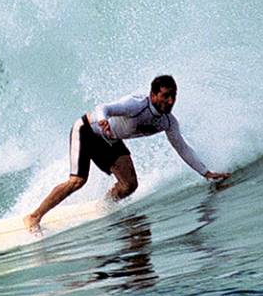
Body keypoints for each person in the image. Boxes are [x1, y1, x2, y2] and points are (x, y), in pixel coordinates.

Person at [24, 74, 229, 231]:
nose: (170, 101)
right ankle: (34, 217)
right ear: (154, 94)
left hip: (110, 139)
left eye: (173, 96)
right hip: (87, 129)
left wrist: (206, 173)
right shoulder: (137, 104)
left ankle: (104, 206)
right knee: (78, 180)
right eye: (165, 96)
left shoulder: (168, 122)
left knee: (129, 185)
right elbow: (103, 107)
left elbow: (182, 148)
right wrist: (103, 119)